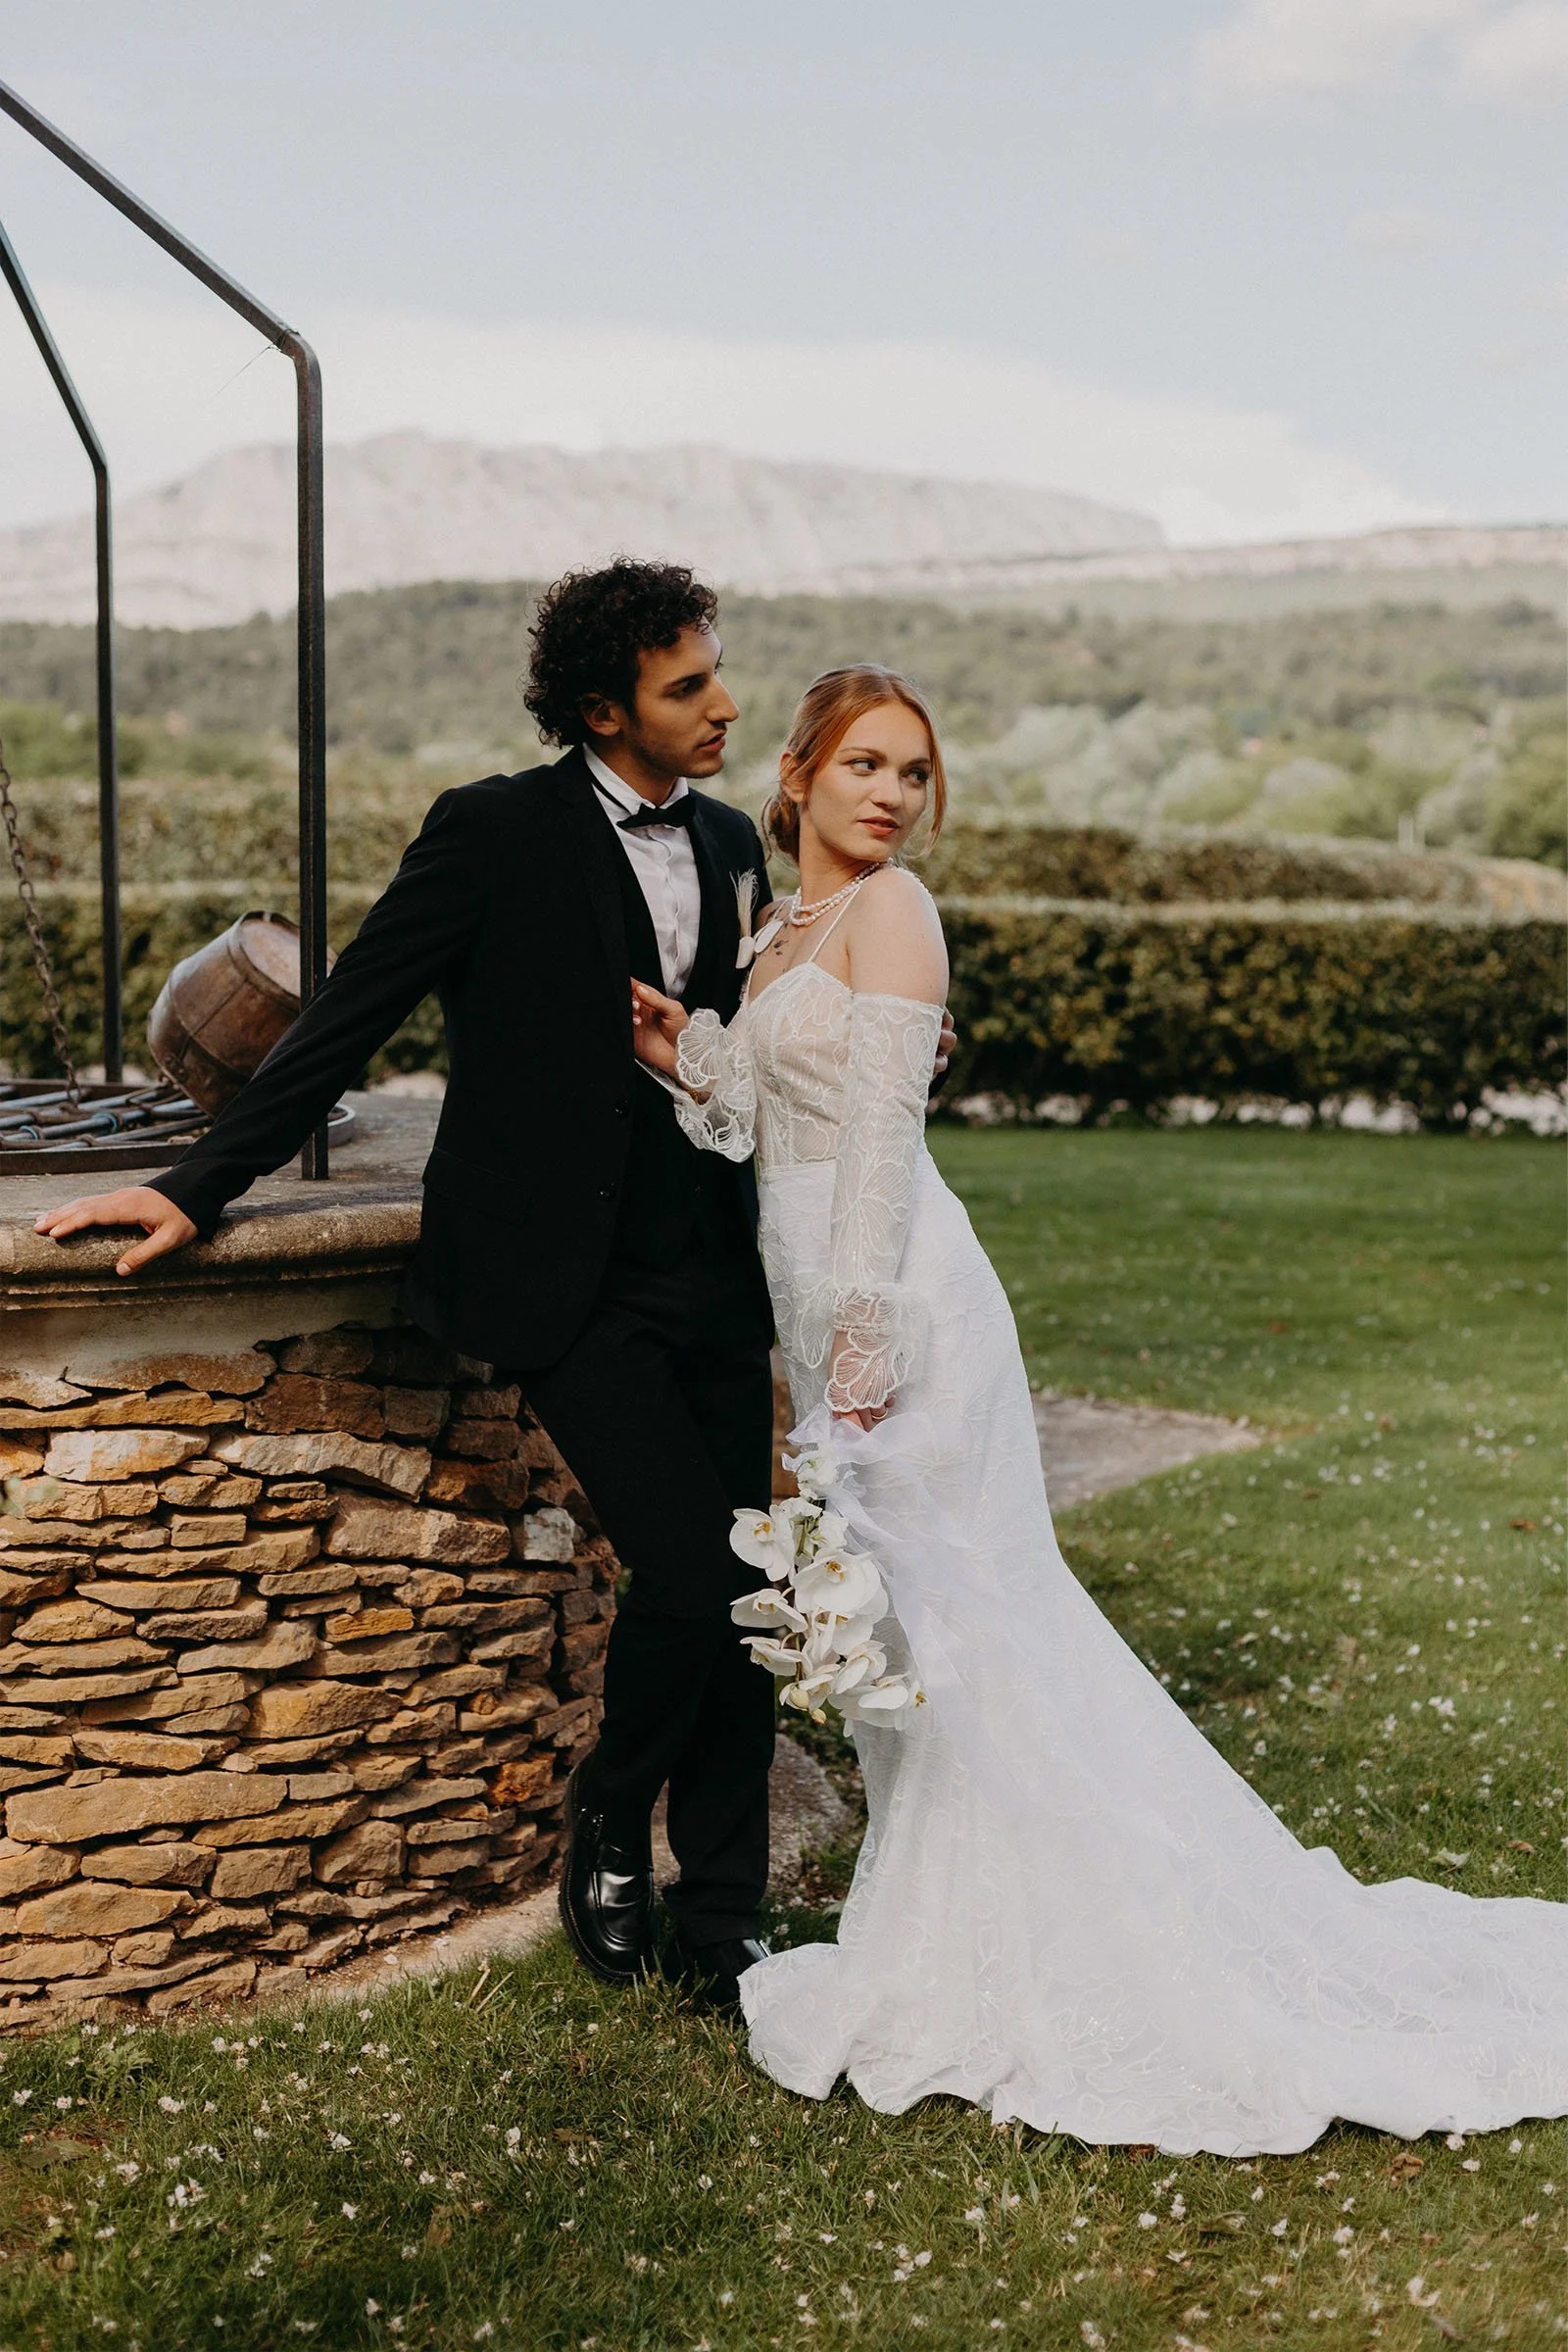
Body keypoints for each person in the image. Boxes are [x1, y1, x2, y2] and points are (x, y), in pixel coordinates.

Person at [628, 660, 1568, 2156]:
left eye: (912, 774)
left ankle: (1082, 1945)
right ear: (797, 776)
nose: (889, 795)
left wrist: (855, 1356)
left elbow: (875, 1147)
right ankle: (943, 1929)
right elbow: (762, 1125)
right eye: (864, 765)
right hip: (814, 1298)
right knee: (910, 1641)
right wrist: (691, 1057)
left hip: (902, 1309)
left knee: (966, 1628)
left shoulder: (893, 914)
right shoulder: (777, 925)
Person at [33, 563, 952, 2017]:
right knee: (698, 1570)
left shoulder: (726, 845)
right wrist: (197, 1185)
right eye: (687, 686)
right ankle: (607, 1810)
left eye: (719, 676)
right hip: (559, 1278)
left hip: (715, 1269)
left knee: (755, 1587)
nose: (722, 707)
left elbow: (758, 1050)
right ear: (604, 710)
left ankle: (720, 1921)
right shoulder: (489, 832)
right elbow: (346, 1018)